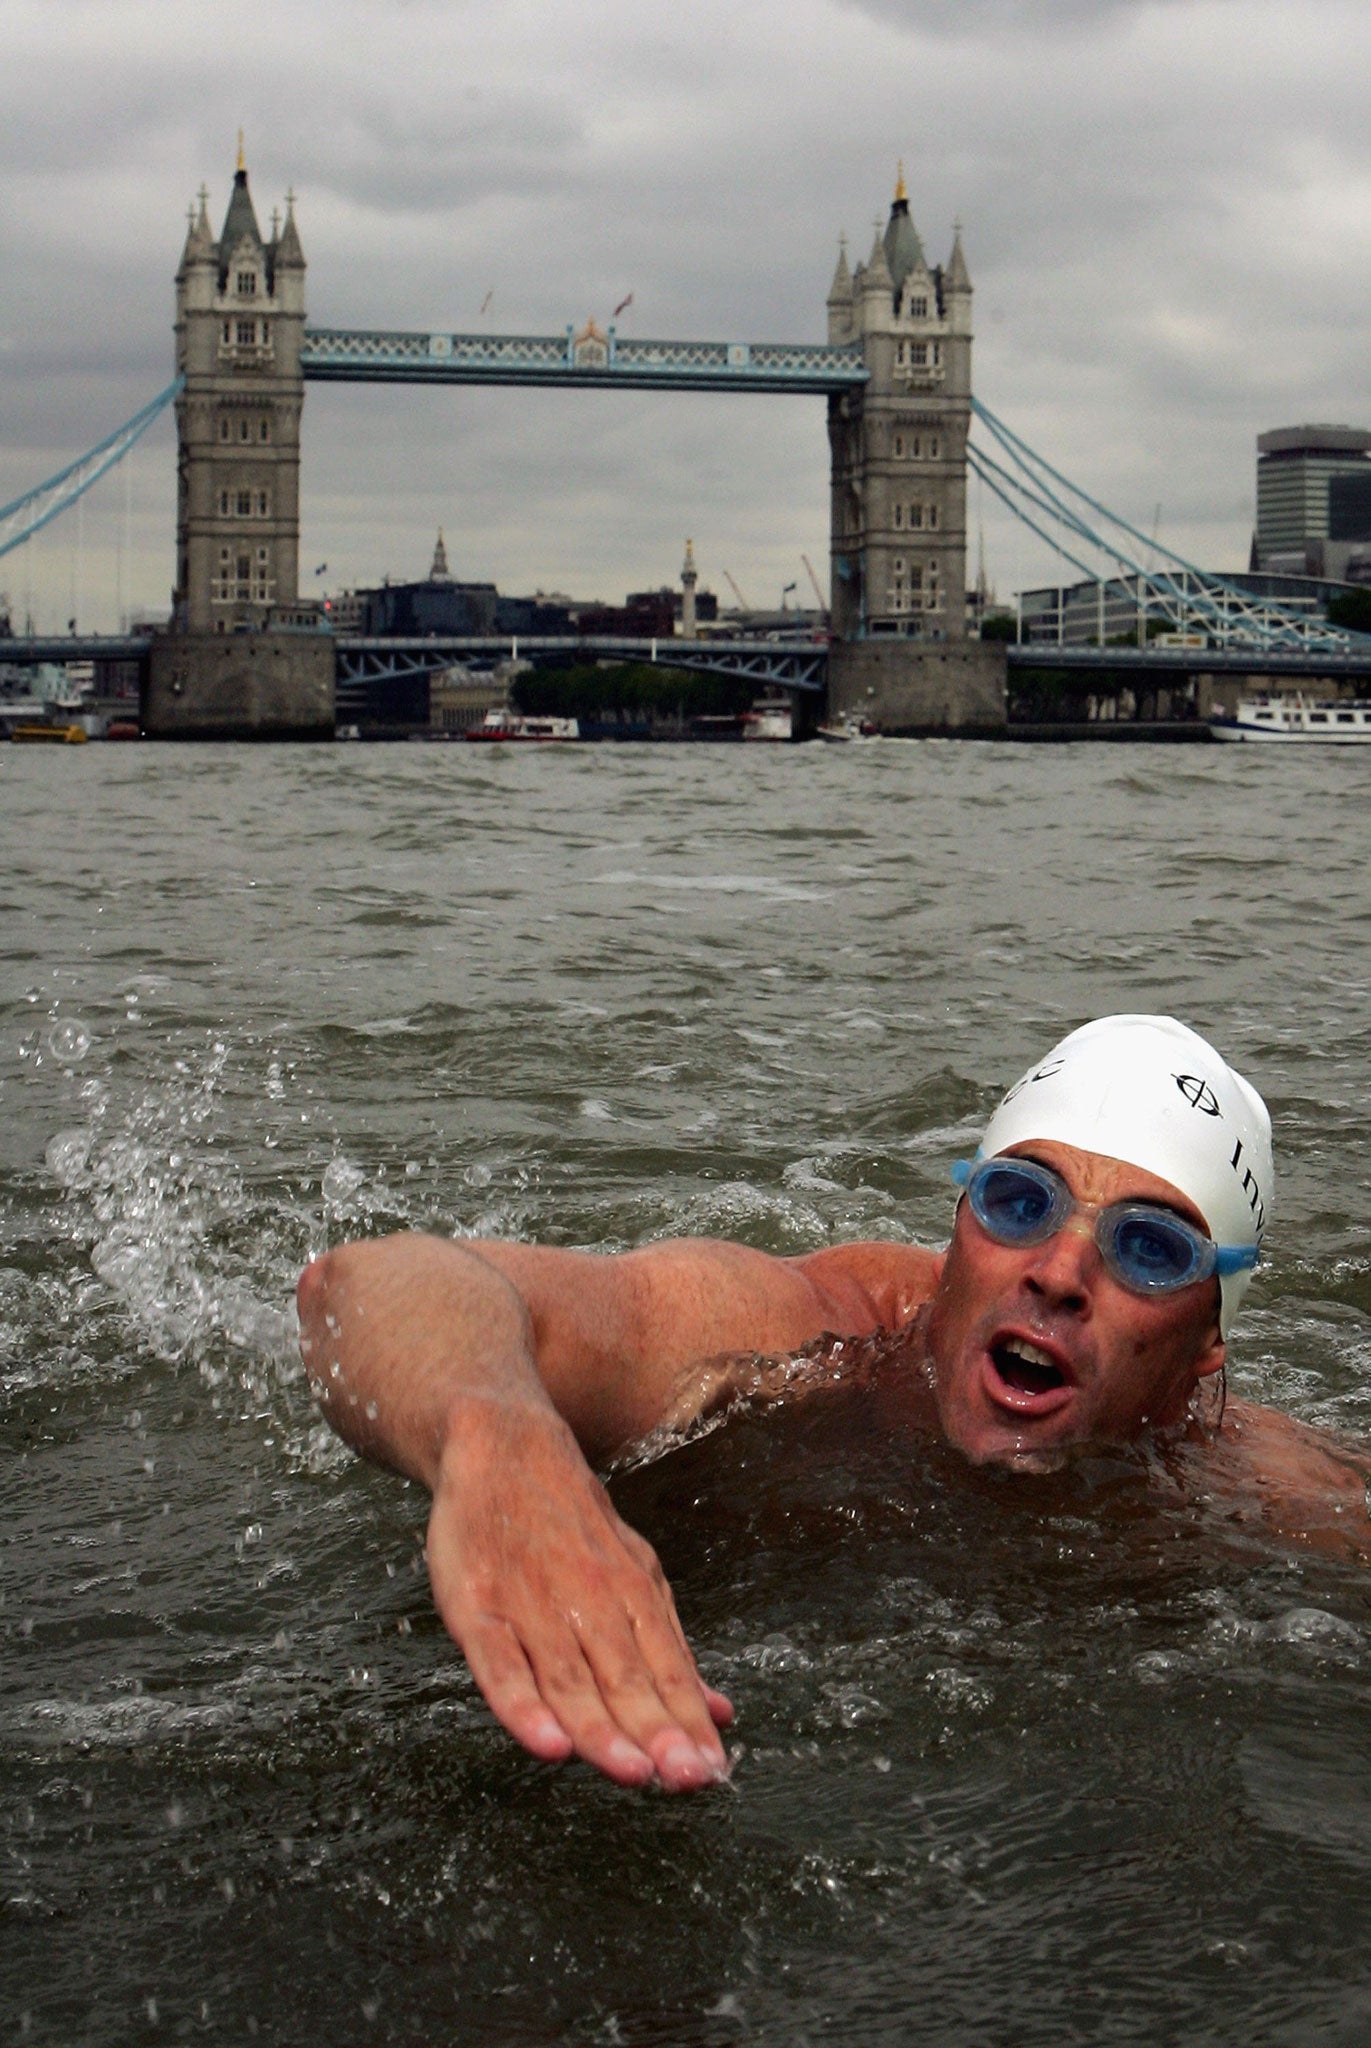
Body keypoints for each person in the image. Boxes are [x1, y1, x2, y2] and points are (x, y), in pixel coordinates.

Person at [296, 1015, 1369, 1794]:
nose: (1056, 1269)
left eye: (1147, 1246)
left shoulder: (1269, 1490)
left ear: (1207, 1340)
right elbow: (369, 1286)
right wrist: (500, 1440)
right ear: (957, 1232)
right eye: (1019, 1198)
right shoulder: (799, 1334)